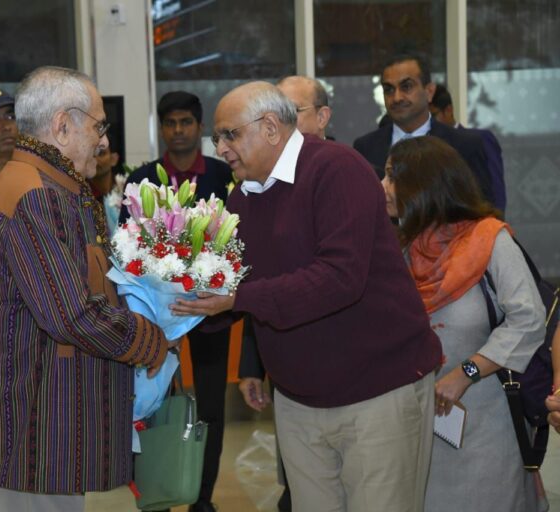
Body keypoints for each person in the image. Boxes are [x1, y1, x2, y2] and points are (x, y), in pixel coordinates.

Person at [171, 81, 442, 511]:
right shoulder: (242, 198)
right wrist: (180, 306)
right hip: (298, 399)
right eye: (218, 137)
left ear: (271, 129)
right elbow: (242, 293)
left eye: (230, 135)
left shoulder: (337, 169)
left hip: (377, 389)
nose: (220, 148)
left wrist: (236, 298)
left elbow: (339, 278)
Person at [0, 66, 171, 512]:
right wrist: (147, 339)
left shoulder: (56, 187)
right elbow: (70, 314)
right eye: (98, 126)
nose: (104, 141)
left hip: (45, 424)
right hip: (26, 429)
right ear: (61, 126)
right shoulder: (34, 192)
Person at [382, 136, 545, 511]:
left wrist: (465, 373)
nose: (383, 187)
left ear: (424, 183)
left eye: (392, 177)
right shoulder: (400, 248)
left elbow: (529, 318)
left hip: (488, 423)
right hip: (418, 426)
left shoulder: (488, 238)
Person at [119, 91, 234, 512]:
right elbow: (126, 245)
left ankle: (202, 497)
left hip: (210, 314)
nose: (179, 130)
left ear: (199, 127)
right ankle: (159, 492)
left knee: (209, 409)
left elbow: (239, 240)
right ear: (162, 128)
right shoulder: (143, 178)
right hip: (154, 316)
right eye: (171, 123)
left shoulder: (224, 175)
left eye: (186, 122)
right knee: (153, 404)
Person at [237, 74, 332, 512]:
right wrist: (252, 366)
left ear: (322, 117)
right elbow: (258, 283)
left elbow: (337, 276)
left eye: (294, 112)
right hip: (290, 371)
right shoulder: (255, 188)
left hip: (348, 364)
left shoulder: (343, 171)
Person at [353, 53, 494, 207]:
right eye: (389, 90)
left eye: (406, 86)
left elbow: (483, 210)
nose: (397, 97)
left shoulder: (464, 145)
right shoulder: (365, 148)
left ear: (429, 91)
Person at [430, 83, 507, 212]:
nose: (427, 122)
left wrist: (494, 226)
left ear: (448, 110)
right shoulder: (421, 146)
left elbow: (496, 189)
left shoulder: (479, 139)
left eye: (432, 116)